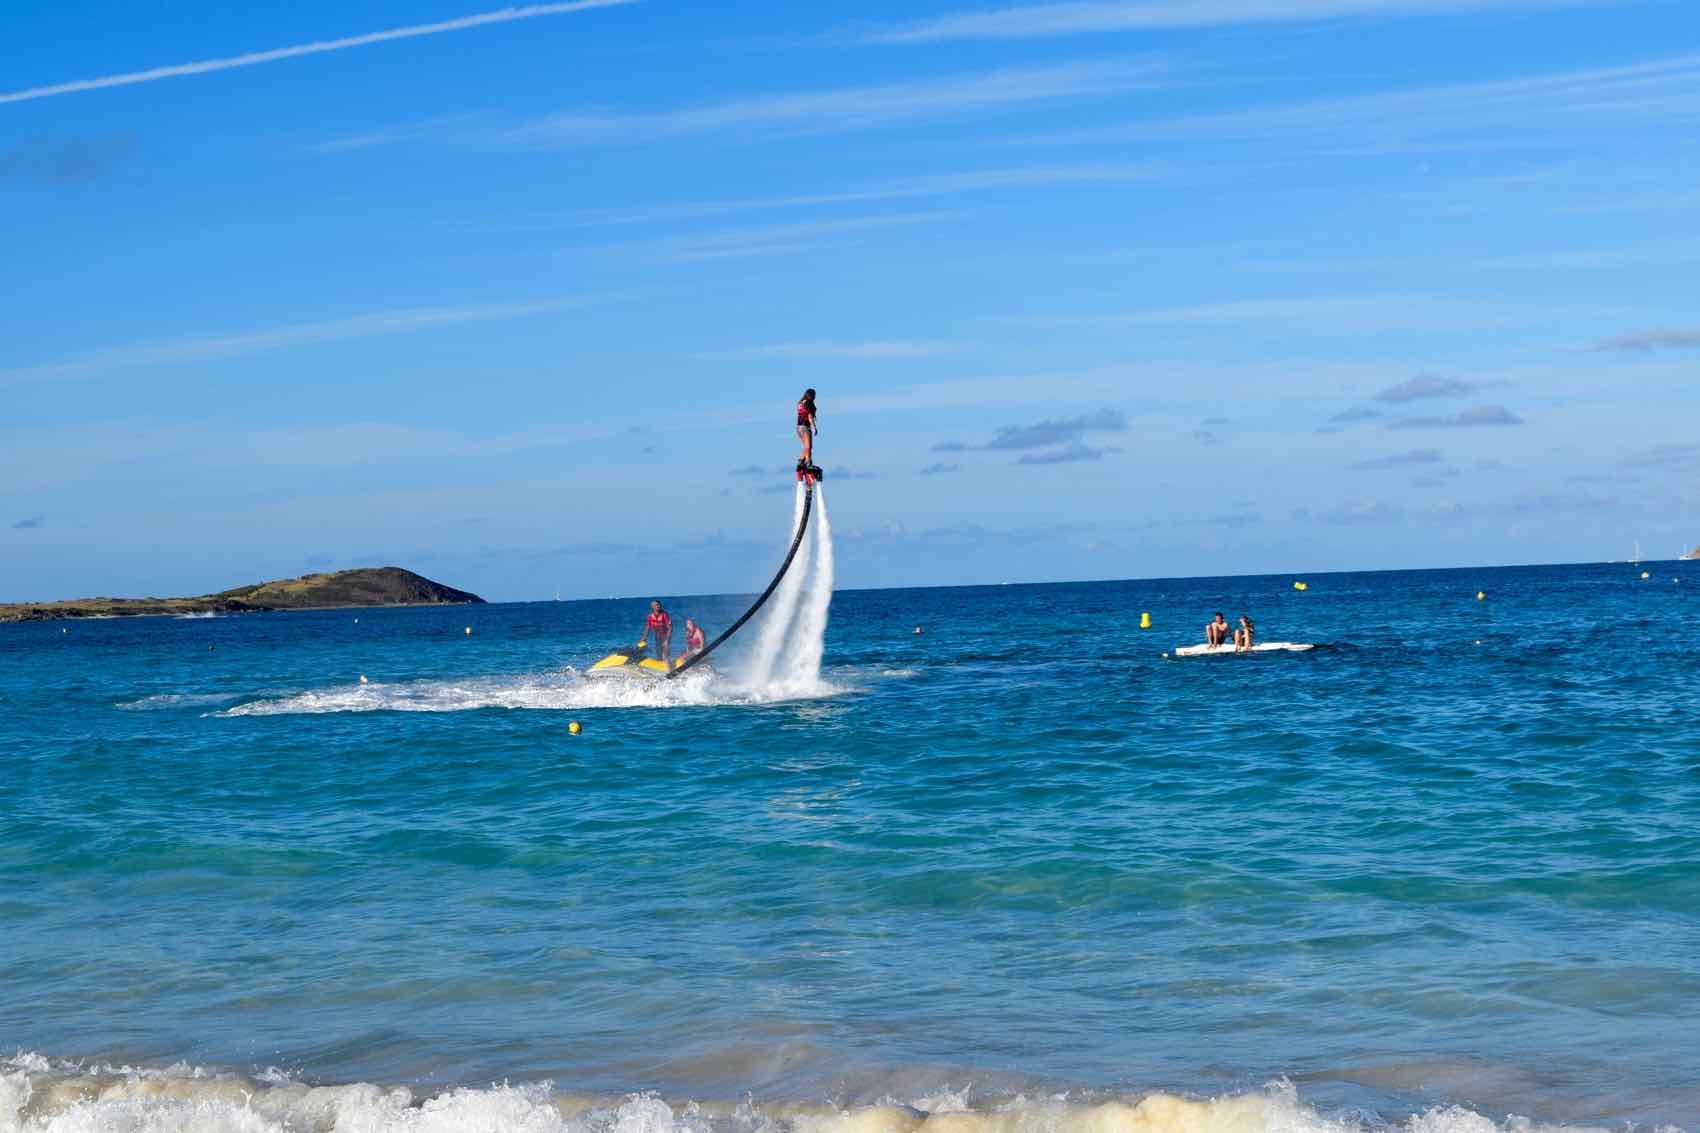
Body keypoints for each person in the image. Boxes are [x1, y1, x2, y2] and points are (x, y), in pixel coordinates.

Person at [796, 388, 818, 471]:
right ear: (811, 395)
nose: (815, 397)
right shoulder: (808, 402)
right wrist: (814, 427)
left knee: (807, 447)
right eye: (814, 395)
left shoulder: (801, 402)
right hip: (805, 427)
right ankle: (805, 463)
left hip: (799, 428)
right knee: (808, 447)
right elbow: (809, 416)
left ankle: (806, 462)